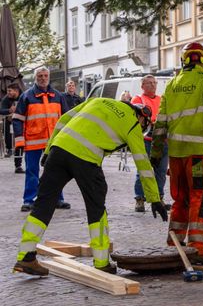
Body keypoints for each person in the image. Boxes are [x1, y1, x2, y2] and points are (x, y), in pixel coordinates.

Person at [12, 98, 168, 276]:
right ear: (141, 116)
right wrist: (155, 199)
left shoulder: (99, 100)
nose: (141, 128)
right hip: (87, 159)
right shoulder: (131, 123)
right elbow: (143, 163)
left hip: (59, 149)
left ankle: (26, 256)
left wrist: (48, 150)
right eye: (143, 125)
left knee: (43, 204)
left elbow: (64, 119)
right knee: (96, 209)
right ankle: (102, 263)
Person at [150, 42, 203, 265]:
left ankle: (174, 245)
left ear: (184, 61)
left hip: (175, 154)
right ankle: (198, 249)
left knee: (179, 198)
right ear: (202, 60)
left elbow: (160, 122)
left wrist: (155, 151)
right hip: (198, 152)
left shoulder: (172, 84)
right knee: (199, 198)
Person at [12, 67, 69, 212]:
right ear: (35, 77)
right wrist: (19, 141)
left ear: (48, 77)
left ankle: (58, 198)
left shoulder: (58, 96)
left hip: (54, 142)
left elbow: (66, 118)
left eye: (45, 75)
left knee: (56, 171)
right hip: (33, 141)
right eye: (40, 75)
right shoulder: (27, 96)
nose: (43, 78)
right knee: (32, 171)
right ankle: (29, 200)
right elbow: (17, 119)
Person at [132, 75, 168, 212]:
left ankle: (159, 197)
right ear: (142, 86)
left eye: (154, 83)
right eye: (149, 83)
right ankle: (140, 199)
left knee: (161, 171)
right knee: (143, 170)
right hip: (146, 140)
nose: (153, 85)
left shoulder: (161, 99)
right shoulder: (138, 100)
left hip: (162, 140)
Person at [0, 82, 24, 173]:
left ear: (16, 91)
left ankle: (19, 165)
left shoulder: (24, 96)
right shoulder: (6, 98)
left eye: (10, 91)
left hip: (23, 123)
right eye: (7, 91)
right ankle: (10, 150)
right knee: (12, 140)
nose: (8, 93)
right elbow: (1, 109)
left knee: (20, 144)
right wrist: (9, 110)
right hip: (10, 123)